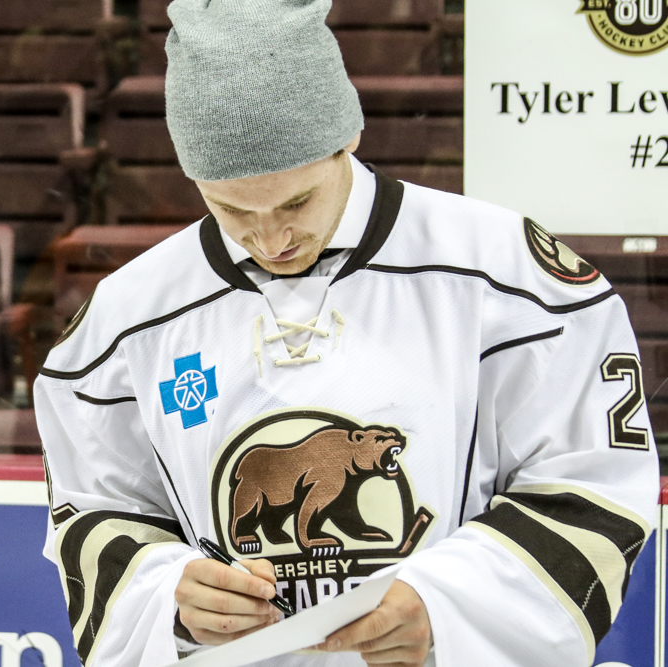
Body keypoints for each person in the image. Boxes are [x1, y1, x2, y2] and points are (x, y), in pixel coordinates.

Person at [34, 1, 660, 665]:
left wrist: (446, 604)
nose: (270, 238)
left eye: (296, 202)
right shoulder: (125, 318)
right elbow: (94, 507)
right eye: (230, 209)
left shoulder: (509, 277)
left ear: (347, 137)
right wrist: (170, 596)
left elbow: (592, 482)